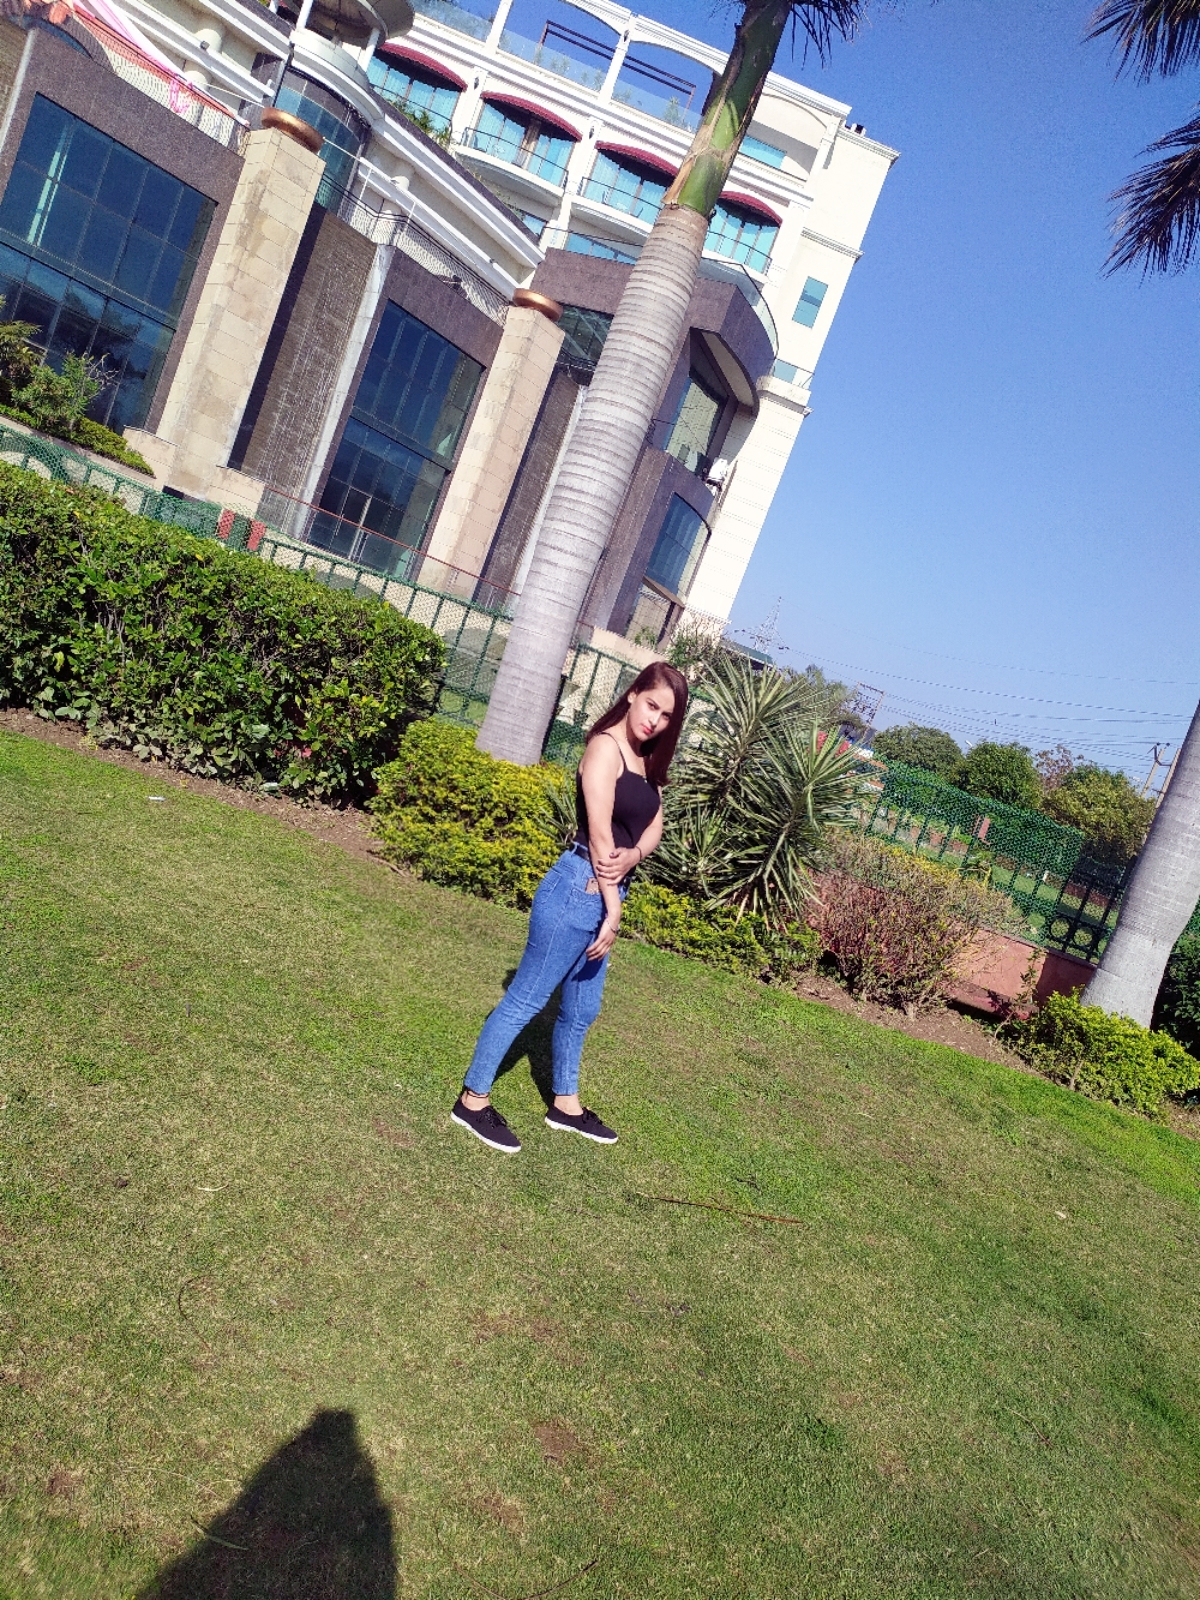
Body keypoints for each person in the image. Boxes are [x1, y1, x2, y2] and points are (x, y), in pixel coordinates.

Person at [451, 661, 689, 1154]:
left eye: (666, 715)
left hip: (604, 894)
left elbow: (654, 826)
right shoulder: (604, 748)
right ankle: (472, 1100)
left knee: (581, 1009)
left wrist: (634, 856)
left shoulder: (645, 762)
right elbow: (600, 835)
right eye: (652, 705)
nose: (655, 720)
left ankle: (565, 1104)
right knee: (525, 1000)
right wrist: (613, 911)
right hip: (577, 890)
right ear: (633, 694)